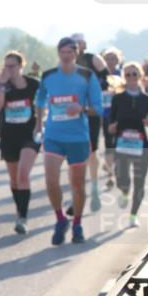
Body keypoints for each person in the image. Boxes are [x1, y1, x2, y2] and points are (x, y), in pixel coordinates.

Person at [36, 37, 102, 245]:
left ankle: (77, 224)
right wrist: (39, 122)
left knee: (77, 184)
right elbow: (39, 100)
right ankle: (60, 219)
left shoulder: (87, 76)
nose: (67, 56)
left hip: (78, 138)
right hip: (54, 136)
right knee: (51, 180)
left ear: (76, 53)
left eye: (70, 52)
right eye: (63, 52)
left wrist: (81, 108)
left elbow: (98, 108)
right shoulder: (48, 76)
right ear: (58, 53)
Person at [0, 51, 40, 234]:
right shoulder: (2, 85)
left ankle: (23, 217)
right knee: (14, 179)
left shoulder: (34, 85)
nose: (9, 69)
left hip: (30, 135)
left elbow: (44, 105)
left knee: (22, 175)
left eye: (12, 66)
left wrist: (41, 126)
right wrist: (2, 85)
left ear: (21, 66)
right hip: (9, 135)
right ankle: (19, 211)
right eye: (6, 66)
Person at [109, 62, 148, 228]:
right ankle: (124, 191)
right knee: (121, 177)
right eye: (128, 75)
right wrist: (112, 127)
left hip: (141, 144)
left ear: (141, 76)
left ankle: (133, 215)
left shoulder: (147, 100)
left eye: (134, 74)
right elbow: (110, 121)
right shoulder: (118, 98)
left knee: (140, 181)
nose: (131, 78)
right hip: (122, 143)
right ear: (124, 77)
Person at [71, 33, 109, 212]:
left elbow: (107, 79)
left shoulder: (93, 58)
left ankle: (94, 188)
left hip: (91, 112)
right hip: (71, 113)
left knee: (91, 152)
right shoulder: (65, 64)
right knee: (74, 153)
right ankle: (77, 192)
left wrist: (92, 91)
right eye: (73, 43)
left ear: (84, 44)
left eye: (79, 43)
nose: (76, 47)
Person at [100, 47, 124, 190]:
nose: (110, 61)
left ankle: (113, 166)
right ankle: (110, 174)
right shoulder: (99, 75)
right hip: (105, 113)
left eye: (113, 58)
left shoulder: (121, 74)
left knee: (118, 142)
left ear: (118, 60)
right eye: (107, 58)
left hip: (120, 113)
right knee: (109, 142)